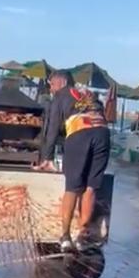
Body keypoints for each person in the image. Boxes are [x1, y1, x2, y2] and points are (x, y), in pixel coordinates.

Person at [34, 70, 110, 252]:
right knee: (90, 188)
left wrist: (47, 158)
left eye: (51, 85)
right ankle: (82, 236)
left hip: (81, 133)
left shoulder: (60, 95)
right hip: (103, 133)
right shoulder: (88, 93)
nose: (51, 89)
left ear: (61, 82)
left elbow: (52, 129)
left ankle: (65, 236)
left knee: (73, 188)